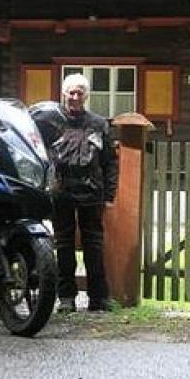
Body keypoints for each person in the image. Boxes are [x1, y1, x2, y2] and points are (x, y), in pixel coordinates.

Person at [51, 73, 119, 313]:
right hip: (61, 193)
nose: (75, 96)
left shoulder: (99, 124)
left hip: (92, 193)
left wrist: (110, 195)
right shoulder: (52, 122)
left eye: (80, 92)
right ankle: (66, 299)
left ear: (86, 96)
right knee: (63, 246)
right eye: (71, 92)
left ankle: (99, 299)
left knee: (94, 246)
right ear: (64, 93)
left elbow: (110, 162)